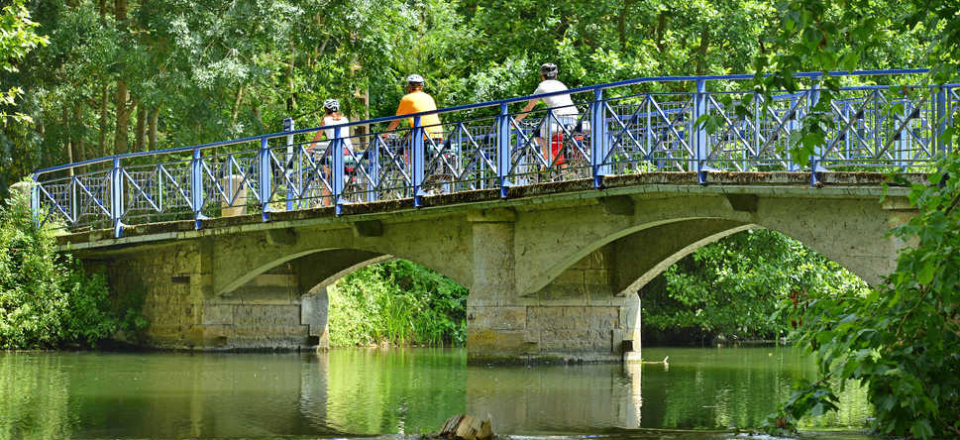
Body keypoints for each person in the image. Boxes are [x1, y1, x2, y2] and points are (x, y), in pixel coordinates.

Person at [514, 63, 579, 165]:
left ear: (542, 76)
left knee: (538, 135)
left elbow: (529, 108)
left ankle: (551, 162)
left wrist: (516, 120)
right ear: (556, 76)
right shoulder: (561, 85)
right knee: (555, 137)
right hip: (574, 117)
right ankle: (562, 165)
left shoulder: (541, 87)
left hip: (558, 119)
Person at [308, 98, 353, 206]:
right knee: (347, 170)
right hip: (348, 150)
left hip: (334, 150)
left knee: (325, 177)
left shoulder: (325, 120)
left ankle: (326, 205)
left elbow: (317, 137)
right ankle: (348, 186)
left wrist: (310, 148)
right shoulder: (345, 119)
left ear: (326, 109)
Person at [383, 74, 443, 140]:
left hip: (422, 135)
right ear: (422, 86)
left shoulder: (407, 98)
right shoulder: (429, 97)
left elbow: (396, 121)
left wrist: (385, 134)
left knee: (402, 147)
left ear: (409, 87)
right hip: (438, 134)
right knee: (406, 140)